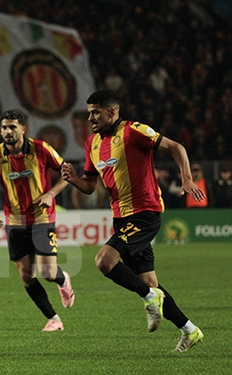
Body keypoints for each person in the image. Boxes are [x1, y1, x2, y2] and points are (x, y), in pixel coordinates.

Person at [61, 89, 205, 352]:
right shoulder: (92, 143)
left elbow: (177, 147)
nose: (90, 118)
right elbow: (90, 185)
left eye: (95, 113)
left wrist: (186, 178)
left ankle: (150, 298)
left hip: (145, 212)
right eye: (89, 113)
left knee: (104, 261)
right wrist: (74, 181)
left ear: (111, 112)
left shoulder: (133, 131)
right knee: (149, 282)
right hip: (121, 218)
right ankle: (189, 330)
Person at [0, 110, 74, 332]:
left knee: (47, 273)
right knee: (26, 275)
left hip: (42, 217)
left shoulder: (41, 149)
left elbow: (67, 174)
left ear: (23, 129)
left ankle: (62, 280)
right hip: (15, 220)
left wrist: (51, 194)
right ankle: (54, 319)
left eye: (12, 127)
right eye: (4, 127)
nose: (8, 131)